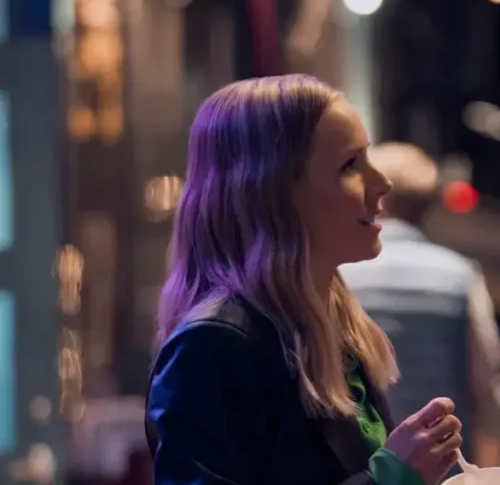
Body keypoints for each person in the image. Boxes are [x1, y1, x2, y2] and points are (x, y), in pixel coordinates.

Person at [146, 75, 463, 485]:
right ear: (273, 191)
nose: (382, 183)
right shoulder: (214, 344)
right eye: (350, 165)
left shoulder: (332, 326)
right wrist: (391, 478)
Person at [342, 142, 500, 469]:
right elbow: (490, 390)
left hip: (366, 469)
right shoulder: (461, 275)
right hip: (444, 468)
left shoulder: (341, 275)